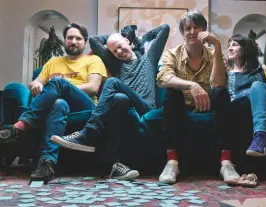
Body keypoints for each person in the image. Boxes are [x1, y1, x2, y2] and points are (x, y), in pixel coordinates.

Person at [51, 24, 170, 180]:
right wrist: (117, 38)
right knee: (118, 98)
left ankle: (89, 133)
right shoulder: (116, 64)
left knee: (113, 82)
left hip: (145, 108)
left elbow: (165, 29)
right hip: (127, 107)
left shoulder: (150, 58)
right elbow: (94, 40)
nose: (119, 52)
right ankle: (112, 164)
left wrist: (138, 38)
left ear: (128, 42)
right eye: (115, 51)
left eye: (120, 46)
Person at [0, 23, 107, 183]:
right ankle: (47, 163)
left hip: (84, 106)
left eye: (78, 38)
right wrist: (35, 85)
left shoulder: (93, 60)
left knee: (58, 82)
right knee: (59, 103)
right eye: (70, 38)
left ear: (85, 42)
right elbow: (36, 82)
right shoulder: (53, 62)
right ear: (64, 41)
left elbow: (93, 87)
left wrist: (63, 86)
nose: (74, 41)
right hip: (57, 106)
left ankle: (20, 127)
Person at [156, 10, 240, 185]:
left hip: (210, 103)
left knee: (221, 93)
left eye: (197, 27)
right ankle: (172, 162)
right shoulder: (172, 53)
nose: (192, 32)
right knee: (172, 92)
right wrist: (192, 85)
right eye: (188, 28)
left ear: (205, 30)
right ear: (182, 33)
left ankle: (226, 162)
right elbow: (163, 78)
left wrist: (217, 46)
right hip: (181, 105)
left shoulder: (213, 53)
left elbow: (218, 84)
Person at [227, 33, 266, 185]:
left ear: (245, 49)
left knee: (264, 90)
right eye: (229, 45)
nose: (230, 48)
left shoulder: (261, 71)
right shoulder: (227, 74)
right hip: (250, 109)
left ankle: (261, 137)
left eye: (234, 44)